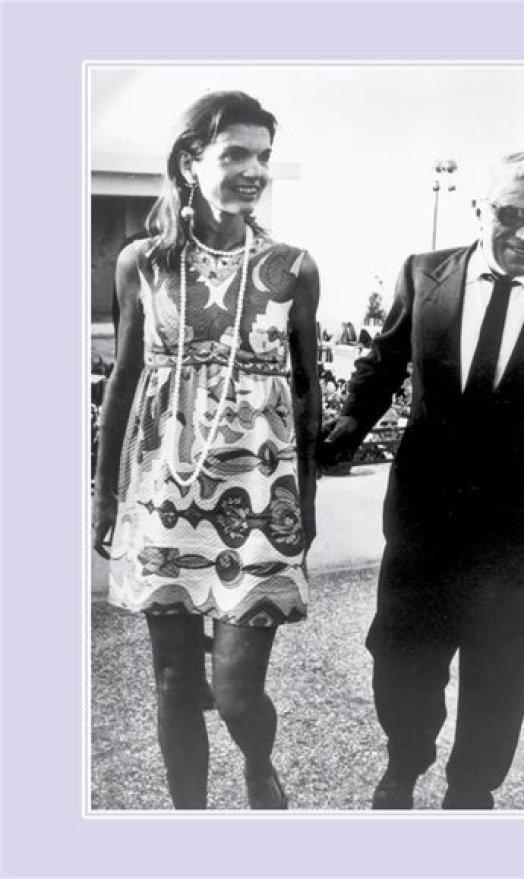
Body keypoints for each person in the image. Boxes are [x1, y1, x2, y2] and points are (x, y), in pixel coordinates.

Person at [322, 152, 524, 810]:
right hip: (424, 520)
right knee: (401, 656)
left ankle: (471, 790)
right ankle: (406, 758)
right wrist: (346, 425)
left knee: (502, 670)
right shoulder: (424, 274)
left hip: (522, 530)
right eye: (511, 215)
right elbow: (383, 362)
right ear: (480, 210)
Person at [92, 90, 321, 810]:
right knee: (172, 682)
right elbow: (123, 383)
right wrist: (104, 496)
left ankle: (258, 764)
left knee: (236, 690)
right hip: (163, 494)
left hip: (260, 499)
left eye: (264, 156)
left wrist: (306, 503)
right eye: (236, 154)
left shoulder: (293, 268)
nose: (255, 170)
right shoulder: (143, 263)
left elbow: (308, 395)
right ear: (191, 163)